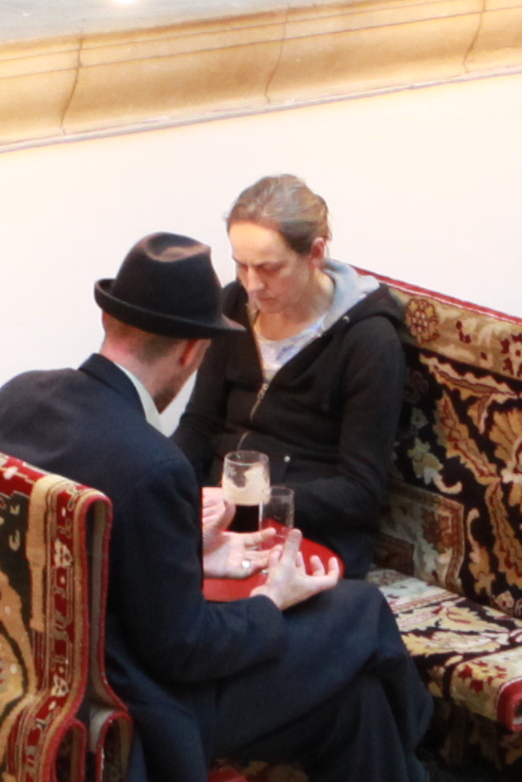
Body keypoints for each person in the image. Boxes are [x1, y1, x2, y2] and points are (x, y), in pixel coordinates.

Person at [0, 236, 507, 782]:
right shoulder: (150, 463)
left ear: (112, 323)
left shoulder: (22, 398)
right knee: (357, 614)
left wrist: (185, 554)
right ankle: (414, 779)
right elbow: (186, 652)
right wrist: (271, 599)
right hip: (133, 712)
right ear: (192, 353)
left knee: (353, 704)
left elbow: (73, 555)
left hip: (49, 677)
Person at [179, 173, 418, 574]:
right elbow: (200, 425)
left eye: (269, 268)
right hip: (223, 520)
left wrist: (254, 501)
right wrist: (162, 479)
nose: (252, 285)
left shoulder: (367, 341)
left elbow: (359, 492)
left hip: (307, 533)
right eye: (241, 266)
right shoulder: (233, 305)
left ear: (315, 253)